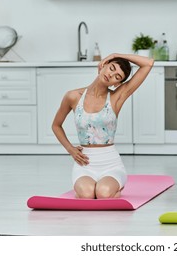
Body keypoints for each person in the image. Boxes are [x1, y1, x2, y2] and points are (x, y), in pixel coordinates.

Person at [52, 53, 154, 199]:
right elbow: (56, 125)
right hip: (84, 165)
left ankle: (115, 188)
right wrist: (71, 149)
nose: (111, 74)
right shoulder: (73, 96)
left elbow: (148, 63)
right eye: (111, 68)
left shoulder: (116, 98)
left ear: (117, 84)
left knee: (103, 193)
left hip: (110, 164)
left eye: (117, 77)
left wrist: (116, 54)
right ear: (103, 65)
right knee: (86, 195)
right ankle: (90, 189)